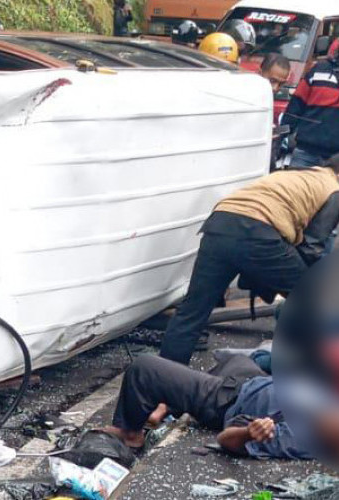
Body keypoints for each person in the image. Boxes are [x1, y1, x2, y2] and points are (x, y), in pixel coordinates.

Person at [159, 159, 339, 365]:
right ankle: (321, 373)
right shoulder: (334, 189)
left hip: (220, 224)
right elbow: (312, 248)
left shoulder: (297, 174)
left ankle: (163, 379)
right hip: (258, 232)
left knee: (192, 312)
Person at [104, 354, 313, 460]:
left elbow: (227, 439)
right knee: (240, 358)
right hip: (252, 380)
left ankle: (130, 432)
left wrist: (249, 433)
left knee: (145, 368)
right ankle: (167, 407)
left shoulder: (307, 437)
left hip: (227, 399)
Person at [282, 39, 339, 168]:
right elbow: (296, 106)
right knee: (294, 188)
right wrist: (281, 139)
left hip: (336, 162)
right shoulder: (318, 70)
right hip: (306, 153)